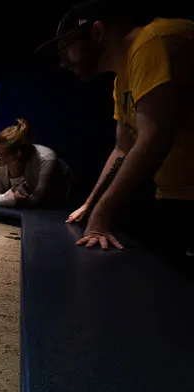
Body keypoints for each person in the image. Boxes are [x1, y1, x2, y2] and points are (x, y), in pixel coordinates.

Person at [40, 1, 194, 264]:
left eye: (66, 49)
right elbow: (122, 148)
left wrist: (101, 217)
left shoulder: (152, 42)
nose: (63, 62)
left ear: (97, 32)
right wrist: (90, 204)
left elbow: (154, 137)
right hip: (172, 196)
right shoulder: (121, 80)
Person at [0, 119, 72, 207]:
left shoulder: (45, 159)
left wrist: (11, 199)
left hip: (58, 194)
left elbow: (35, 199)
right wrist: (4, 198)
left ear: (16, 155)